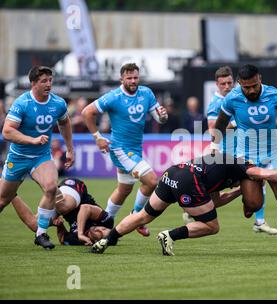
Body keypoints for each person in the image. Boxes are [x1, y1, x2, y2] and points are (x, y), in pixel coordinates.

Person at [90, 152, 277, 255]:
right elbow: (264, 174)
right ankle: (169, 235)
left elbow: (215, 201)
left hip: (173, 173)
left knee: (144, 216)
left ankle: (106, 241)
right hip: (189, 181)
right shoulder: (242, 166)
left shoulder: (222, 165)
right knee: (212, 226)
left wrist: (238, 192)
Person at [212, 64, 277, 256]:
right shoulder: (232, 98)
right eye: (246, 87)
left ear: (260, 79)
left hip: (273, 152)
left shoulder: (274, 94)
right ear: (240, 83)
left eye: (254, 86)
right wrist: (214, 147)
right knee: (254, 204)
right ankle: (248, 202)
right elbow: (221, 124)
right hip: (246, 156)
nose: (251, 91)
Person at [82, 63, 168, 237]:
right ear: (121, 79)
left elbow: (159, 118)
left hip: (135, 148)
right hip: (120, 149)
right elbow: (87, 112)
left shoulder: (146, 93)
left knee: (124, 190)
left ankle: (103, 222)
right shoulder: (114, 97)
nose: (133, 81)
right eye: (129, 78)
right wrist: (98, 137)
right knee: (151, 181)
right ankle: (135, 217)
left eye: (135, 77)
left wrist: (163, 116)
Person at [0, 66, 74, 250]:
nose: (48, 84)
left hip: (41, 156)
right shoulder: (22, 103)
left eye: (50, 80)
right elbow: (7, 131)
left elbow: (64, 123)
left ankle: (41, 234)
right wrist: (31, 140)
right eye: (44, 81)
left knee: (50, 187)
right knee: (3, 200)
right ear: (33, 83)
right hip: (18, 157)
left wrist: (70, 149)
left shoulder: (58, 104)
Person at [201, 65, 277, 234]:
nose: (227, 87)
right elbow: (213, 128)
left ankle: (259, 220)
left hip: (240, 152)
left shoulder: (239, 98)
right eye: (223, 84)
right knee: (215, 196)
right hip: (224, 154)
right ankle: (192, 210)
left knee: (258, 178)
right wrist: (235, 124)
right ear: (217, 85)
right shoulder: (216, 103)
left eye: (229, 83)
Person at [11, 177, 113, 245]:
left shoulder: (80, 241)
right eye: (104, 229)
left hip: (61, 207)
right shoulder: (107, 221)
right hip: (76, 190)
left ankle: (10, 192)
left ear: (96, 241)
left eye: (101, 234)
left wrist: (59, 225)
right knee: (64, 207)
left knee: (35, 226)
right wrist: (80, 233)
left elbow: (62, 238)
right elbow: (85, 208)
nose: (100, 229)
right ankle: (42, 178)